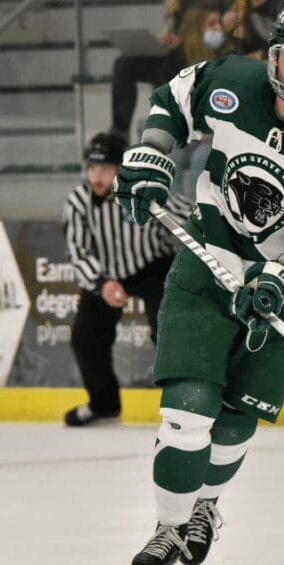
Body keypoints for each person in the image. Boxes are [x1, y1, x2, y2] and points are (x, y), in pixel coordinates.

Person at [113, 3, 284, 565]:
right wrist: (155, 150)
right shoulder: (233, 82)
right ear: (274, 55)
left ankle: (205, 504)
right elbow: (174, 100)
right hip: (209, 264)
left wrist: (280, 276)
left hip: (282, 295)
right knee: (188, 409)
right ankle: (168, 527)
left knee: (234, 426)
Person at [61, 132, 192, 427]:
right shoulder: (78, 201)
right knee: (86, 337)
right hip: (107, 275)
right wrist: (101, 283)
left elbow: (189, 217)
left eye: (106, 169)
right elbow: (77, 251)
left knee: (170, 331)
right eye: (93, 169)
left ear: (122, 168)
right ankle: (104, 405)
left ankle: (186, 405)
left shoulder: (144, 191)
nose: (97, 177)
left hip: (153, 266)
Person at [109, 3, 233, 139]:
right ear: (196, 30)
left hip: (212, 127)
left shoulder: (228, 54)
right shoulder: (177, 57)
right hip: (181, 127)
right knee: (123, 64)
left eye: (220, 23)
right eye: (212, 24)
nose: (219, 28)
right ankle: (120, 131)